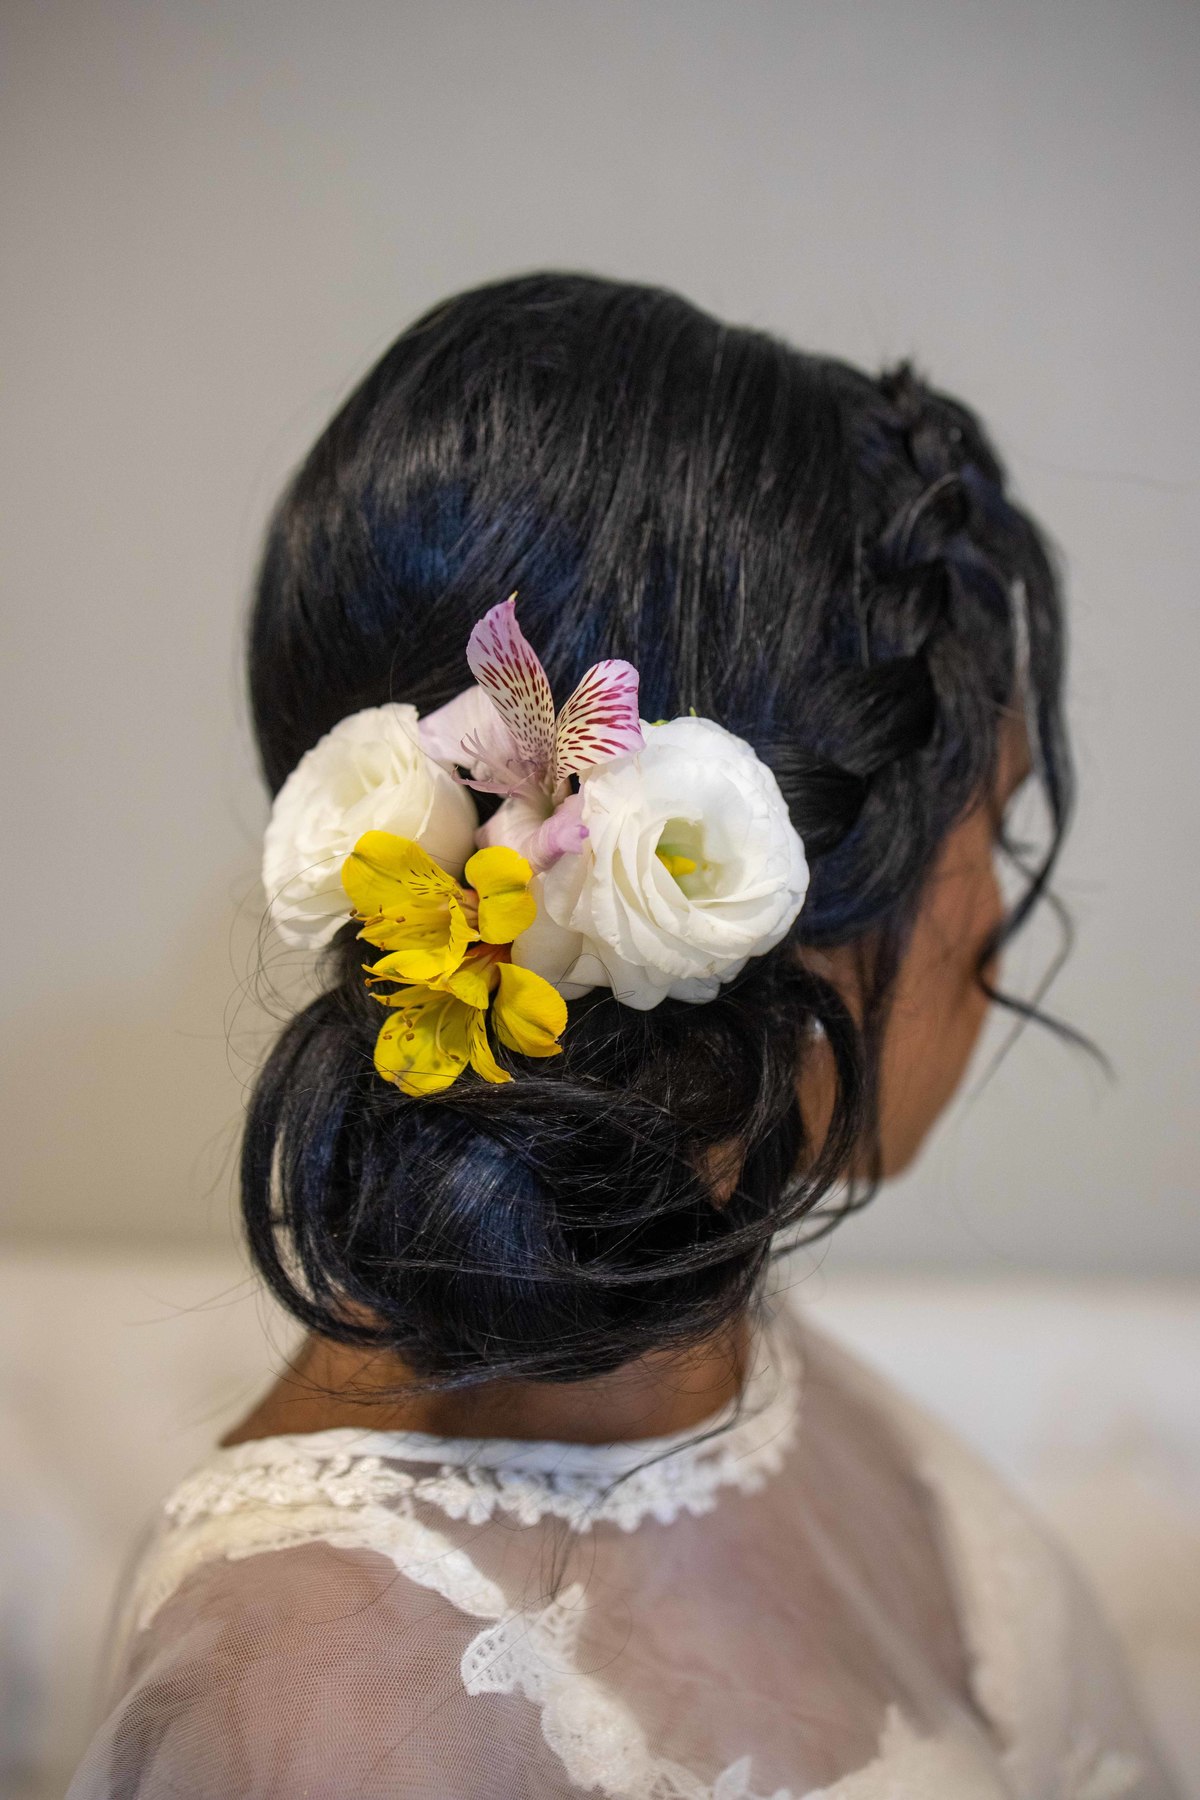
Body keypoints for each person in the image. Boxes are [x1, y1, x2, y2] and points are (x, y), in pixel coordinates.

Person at [68, 274, 1178, 1798]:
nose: (993, 924)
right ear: (794, 922)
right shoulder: (326, 1720)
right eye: (990, 824)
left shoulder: (718, 1354)